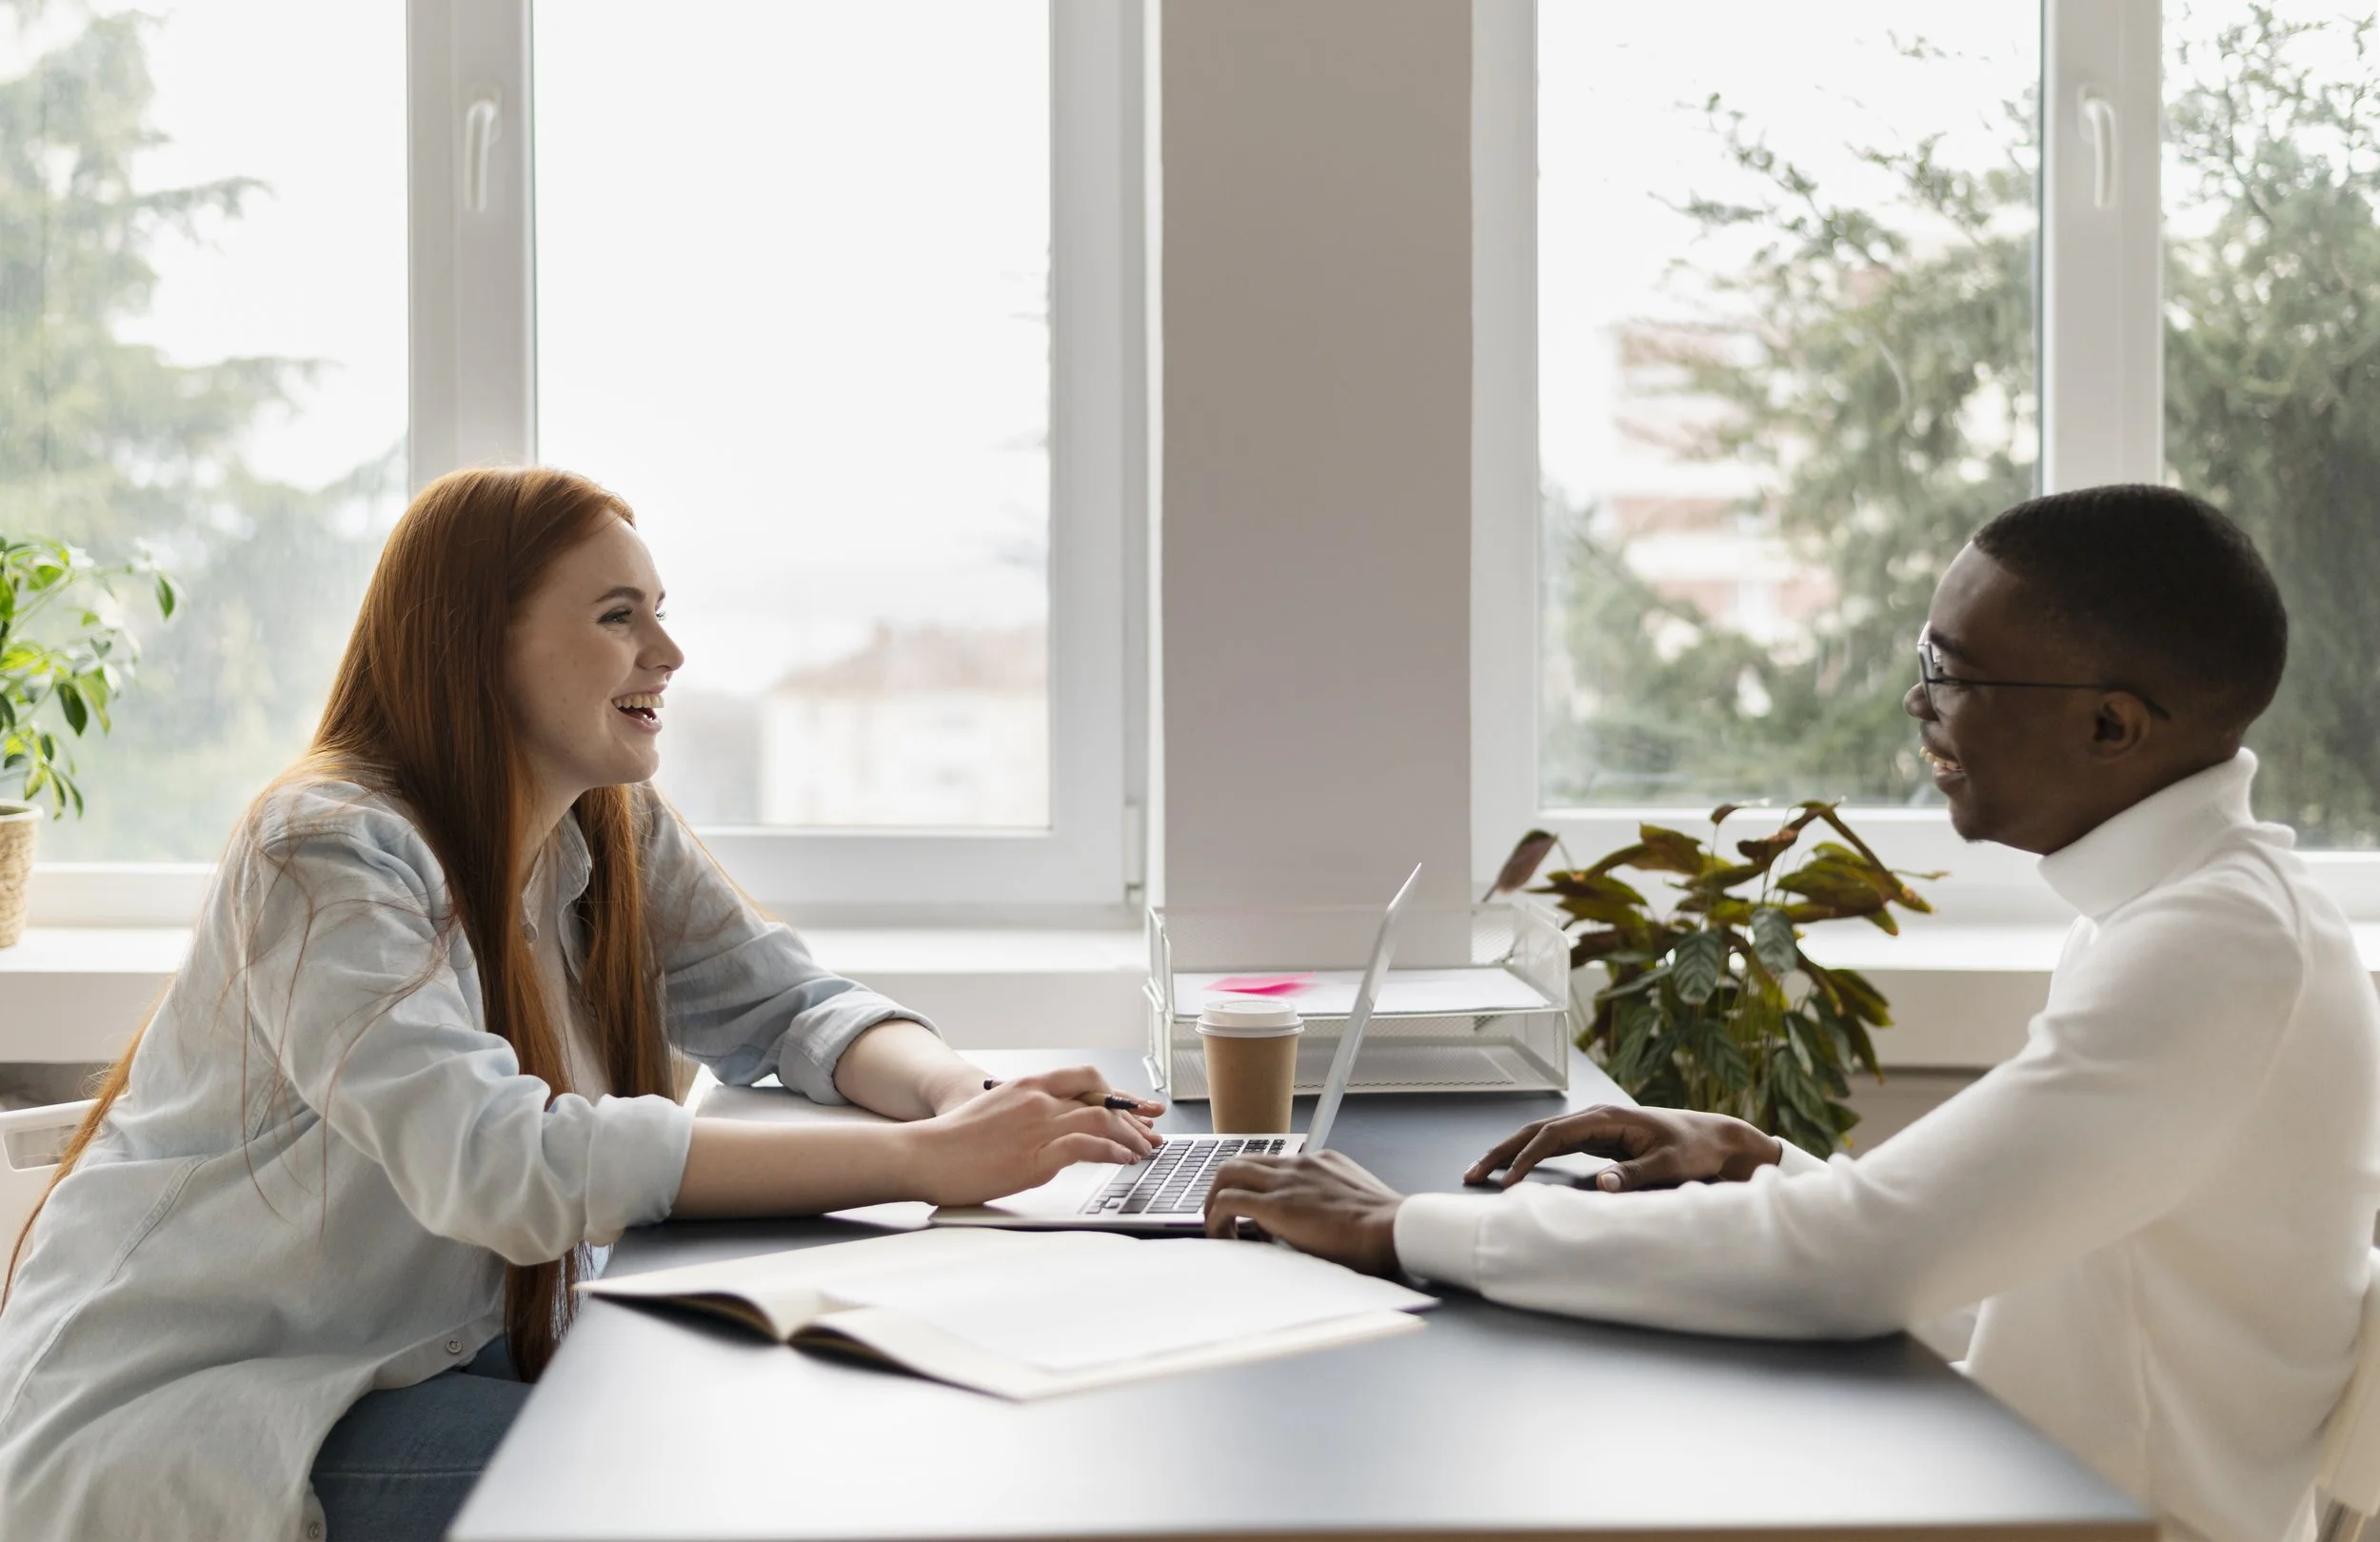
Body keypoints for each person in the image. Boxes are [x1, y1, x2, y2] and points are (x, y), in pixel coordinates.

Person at [0, 467, 1164, 1542]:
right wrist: (927, 1164)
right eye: (619, 616)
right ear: (479, 643)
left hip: (430, 1352)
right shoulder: (325, 852)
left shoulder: (603, 821)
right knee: (728, 1483)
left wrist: (969, 1099)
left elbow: (787, 1002)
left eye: (659, 609)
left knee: (821, 1421)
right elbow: (501, 1166)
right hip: (227, 1403)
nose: (668, 650)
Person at [1205, 484, 2380, 1542]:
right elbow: (2005, 1256)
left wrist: (1403, 1229)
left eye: (1955, 671)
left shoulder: (2213, 948)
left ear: (2113, 727)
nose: (1918, 701)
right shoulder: (2174, 911)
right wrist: (1768, 1161)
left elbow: (1860, 1269)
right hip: (2015, 1484)